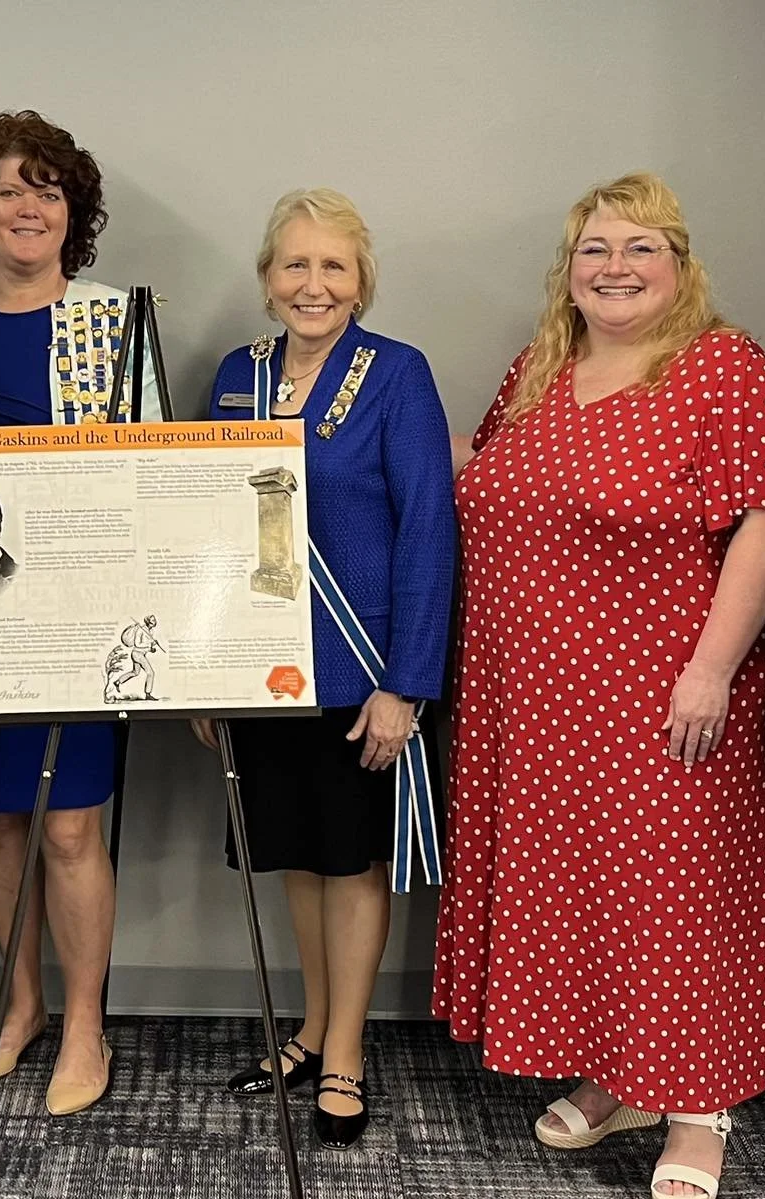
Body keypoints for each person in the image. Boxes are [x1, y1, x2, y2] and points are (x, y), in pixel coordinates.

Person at [433, 173, 765, 1199]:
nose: (614, 266)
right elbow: (475, 472)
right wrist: (315, 455)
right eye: (594, 247)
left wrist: (711, 669)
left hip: (665, 693)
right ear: (569, 269)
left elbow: (764, 526)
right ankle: (616, 1080)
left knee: (675, 898)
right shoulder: (543, 365)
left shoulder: (720, 368)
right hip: (537, 705)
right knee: (586, 896)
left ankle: (697, 1108)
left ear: (679, 265)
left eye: (641, 247)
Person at [199, 188, 455, 1149]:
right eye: (295, 265)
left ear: (362, 281)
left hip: (361, 675)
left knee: (352, 864)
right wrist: (205, 671)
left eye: (333, 266)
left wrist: (407, 683)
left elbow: (429, 532)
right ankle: (309, 1024)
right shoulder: (236, 374)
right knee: (297, 856)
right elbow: (206, 527)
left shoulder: (397, 375)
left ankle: (346, 1047)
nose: (314, 284)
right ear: (268, 280)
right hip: (263, 673)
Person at [0, 110, 159, 1116]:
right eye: (8, 187)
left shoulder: (116, 319)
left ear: (74, 211)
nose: (27, 205)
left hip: (80, 617)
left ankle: (85, 1026)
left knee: (68, 826)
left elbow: (149, 468)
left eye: (47, 188)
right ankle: (15, 1006)